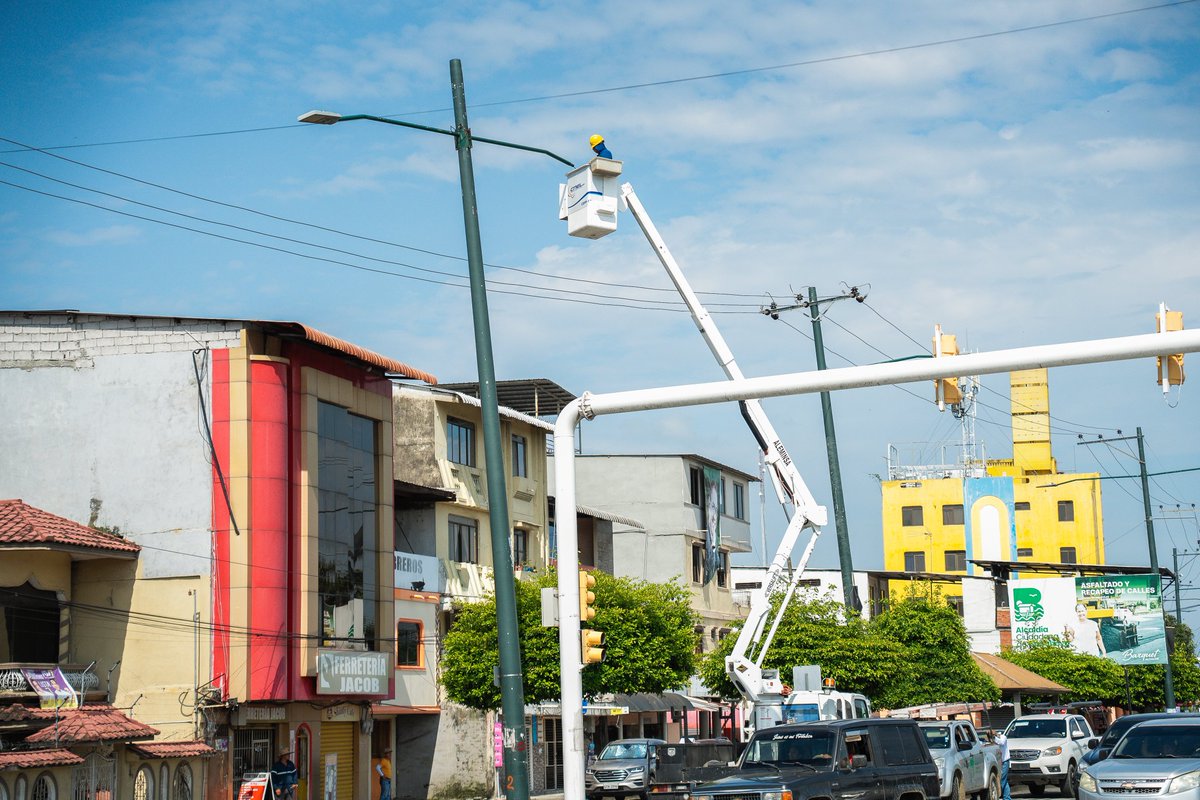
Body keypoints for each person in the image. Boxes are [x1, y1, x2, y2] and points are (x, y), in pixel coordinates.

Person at [993, 729, 1011, 800]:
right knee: (1005, 780)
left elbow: (1001, 742)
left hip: (1004, 761)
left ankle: (999, 795)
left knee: (1002, 780)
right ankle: (1007, 798)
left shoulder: (1003, 737)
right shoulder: (995, 739)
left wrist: (994, 737)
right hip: (999, 762)